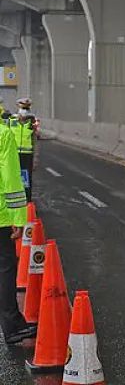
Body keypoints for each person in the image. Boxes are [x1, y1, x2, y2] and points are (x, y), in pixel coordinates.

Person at [0, 118, 34, 344]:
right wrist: (19, 217)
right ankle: (12, 326)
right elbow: (12, 179)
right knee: (5, 267)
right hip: (1, 217)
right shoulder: (3, 134)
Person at [8, 98, 39, 202]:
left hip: (27, 156)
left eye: (26, 108)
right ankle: (14, 203)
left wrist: (35, 159)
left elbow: (35, 141)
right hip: (13, 155)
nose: (24, 113)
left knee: (26, 181)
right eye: (23, 108)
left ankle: (27, 203)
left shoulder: (32, 122)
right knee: (12, 179)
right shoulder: (11, 120)